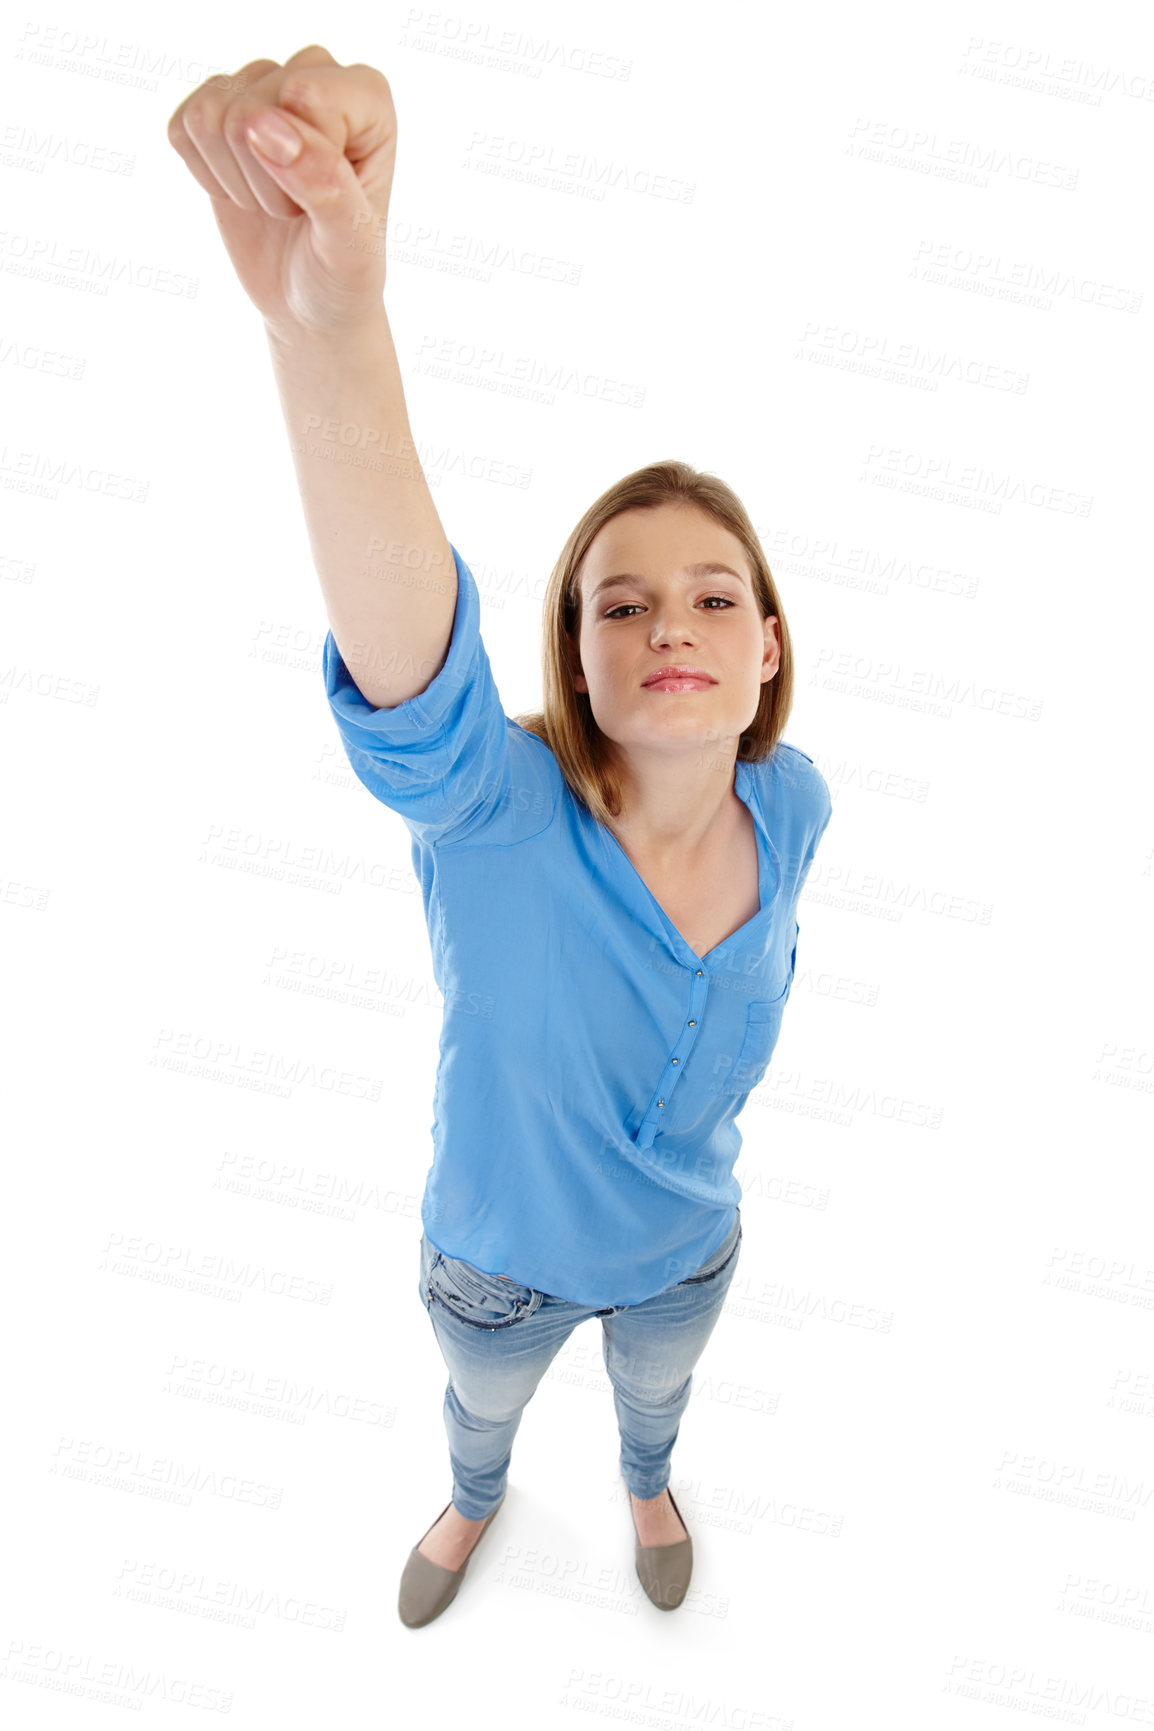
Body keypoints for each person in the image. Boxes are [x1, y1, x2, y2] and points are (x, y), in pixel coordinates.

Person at [168, 46, 834, 1628]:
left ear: (764, 651)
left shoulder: (794, 807)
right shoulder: (493, 813)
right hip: (494, 1273)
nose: (667, 621)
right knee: (480, 1412)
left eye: (710, 595)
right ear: (576, 657)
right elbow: (408, 653)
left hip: (689, 1253)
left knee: (656, 1397)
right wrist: (333, 333)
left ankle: (646, 1476)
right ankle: (474, 1501)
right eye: (619, 601)